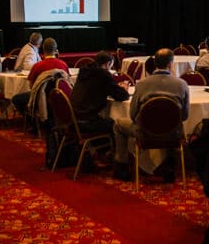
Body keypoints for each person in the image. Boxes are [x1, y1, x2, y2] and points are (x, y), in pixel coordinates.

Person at [113, 48, 188, 181]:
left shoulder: (142, 84)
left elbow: (132, 114)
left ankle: (121, 166)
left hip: (145, 134)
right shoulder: (182, 85)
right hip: (172, 134)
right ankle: (169, 165)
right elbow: (184, 116)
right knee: (172, 124)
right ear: (171, 64)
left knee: (118, 124)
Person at [69, 50, 129, 135]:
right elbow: (122, 96)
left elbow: (94, 89)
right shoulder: (103, 74)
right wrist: (124, 89)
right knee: (117, 124)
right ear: (108, 63)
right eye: (111, 66)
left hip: (74, 118)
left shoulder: (84, 71)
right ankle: (114, 148)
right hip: (87, 122)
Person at [12, 37, 67, 115]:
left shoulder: (37, 66)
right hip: (60, 97)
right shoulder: (63, 65)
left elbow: (31, 86)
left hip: (40, 98)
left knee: (16, 99)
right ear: (56, 50)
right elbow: (67, 83)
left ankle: (30, 120)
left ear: (43, 49)